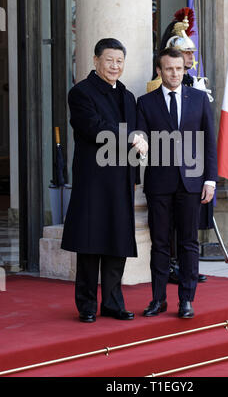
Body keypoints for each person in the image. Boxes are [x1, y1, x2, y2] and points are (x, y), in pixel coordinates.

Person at [61, 38, 146, 323]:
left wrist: (133, 176)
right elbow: (95, 129)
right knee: (90, 242)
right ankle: (86, 304)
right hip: (93, 180)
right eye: (109, 60)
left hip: (120, 180)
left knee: (116, 242)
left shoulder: (128, 95)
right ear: (96, 60)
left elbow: (136, 138)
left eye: (119, 61)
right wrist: (130, 137)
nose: (115, 66)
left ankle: (112, 302)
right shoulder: (81, 93)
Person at [137, 47, 218, 319]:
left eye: (180, 68)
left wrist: (210, 180)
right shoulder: (145, 103)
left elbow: (209, 142)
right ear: (159, 71)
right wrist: (140, 145)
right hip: (159, 183)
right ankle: (158, 299)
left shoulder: (198, 99)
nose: (175, 73)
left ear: (185, 70)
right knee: (159, 243)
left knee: (188, 242)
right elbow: (140, 137)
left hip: (192, 183)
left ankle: (186, 299)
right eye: (169, 69)